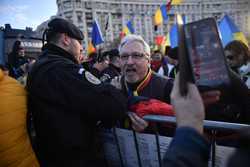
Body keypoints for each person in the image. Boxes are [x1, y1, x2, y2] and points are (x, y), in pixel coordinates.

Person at [26, 18, 131, 166]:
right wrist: (115, 89)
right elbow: (112, 105)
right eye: (79, 42)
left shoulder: (42, 65)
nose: (81, 48)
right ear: (66, 39)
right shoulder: (61, 69)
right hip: (74, 158)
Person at [163, 73, 250, 167]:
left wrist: (188, 128)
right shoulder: (192, 78)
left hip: (228, 139)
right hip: (205, 137)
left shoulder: (232, 79)